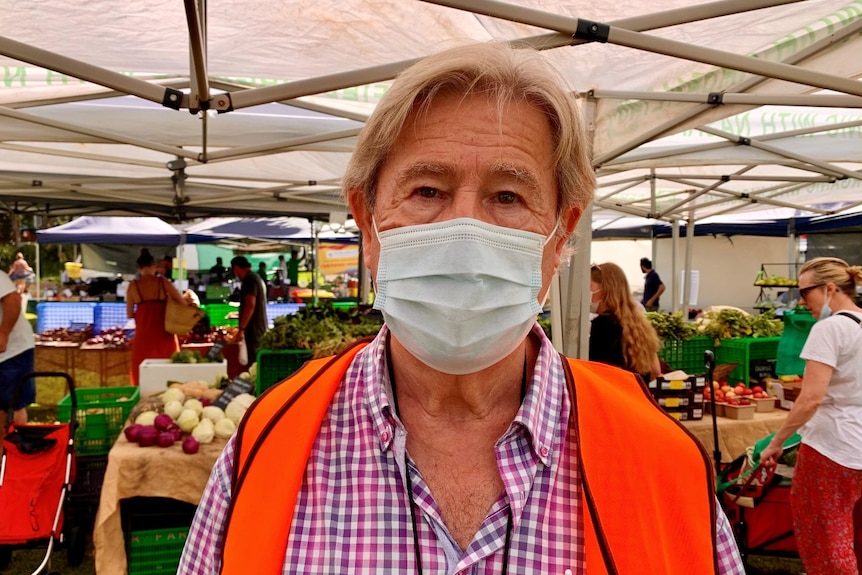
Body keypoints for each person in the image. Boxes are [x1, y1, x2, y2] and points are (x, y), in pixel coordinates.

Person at [179, 42, 743, 574]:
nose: (464, 230)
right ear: (368, 224)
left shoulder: (662, 461)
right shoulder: (267, 442)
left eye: (508, 196)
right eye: (427, 190)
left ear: (560, 236)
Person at [759, 256, 862, 575]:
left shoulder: (829, 329)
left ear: (830, 288)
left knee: (825, 537)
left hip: (832, 449)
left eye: (806, 293)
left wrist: (776, 442)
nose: (802, 302)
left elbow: (810, 398)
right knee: (852, 536)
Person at [125, 249, 189, 385]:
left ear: (138, 267)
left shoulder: (132, 286)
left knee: (143, 370)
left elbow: (129, 314)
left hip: (143, 335)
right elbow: (181, 301)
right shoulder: (162, 282)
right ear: (153, 266)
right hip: (164, 333)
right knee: (168, 366)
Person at [589, 263, 662, 381]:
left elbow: (599, 372)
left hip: (613, 395)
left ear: (606, 288)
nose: (587, 292)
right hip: (636, 395)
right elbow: (655, 370)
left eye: (590, 286)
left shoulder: (602, 325)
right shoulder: (640, 323)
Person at [0, 269, 35, 428]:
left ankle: (15, 449)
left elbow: (13, 300)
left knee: (13, 404)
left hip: (12, 350)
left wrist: (3, 334)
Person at [230, 256, 267, 365]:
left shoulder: (249, 280)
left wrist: (241, 329)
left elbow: (250, 305)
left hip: (253, 330)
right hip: (259, 328)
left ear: (236, 268)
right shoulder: (256, 277)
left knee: (254, 365)